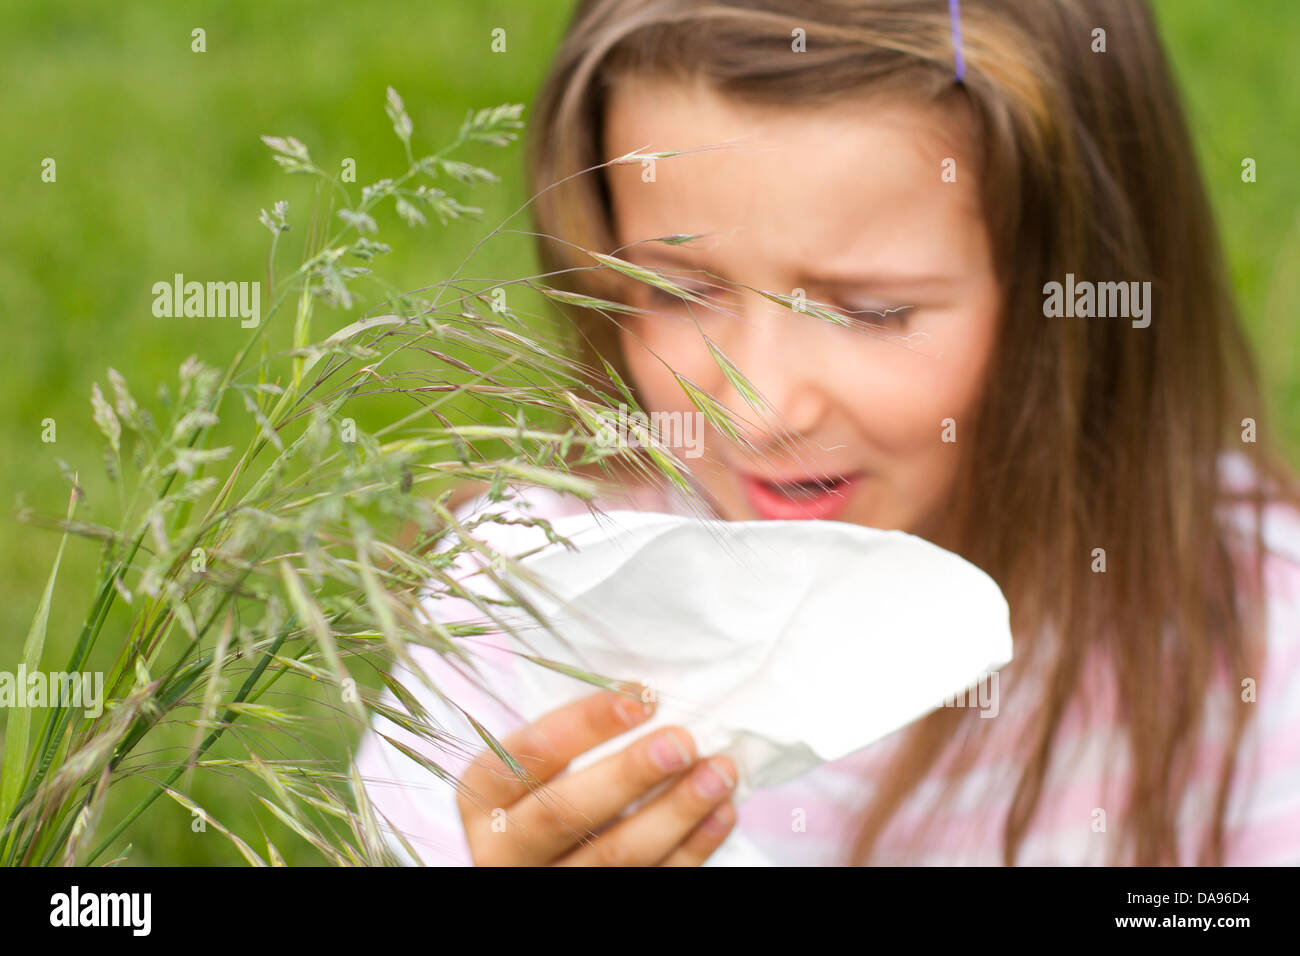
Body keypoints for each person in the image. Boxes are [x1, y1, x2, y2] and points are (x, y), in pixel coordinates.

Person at [353, 0, 1300, 866]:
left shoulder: (1255, 637)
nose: (758, 410)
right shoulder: (530, 601)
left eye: (873, 310)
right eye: (679, 291)